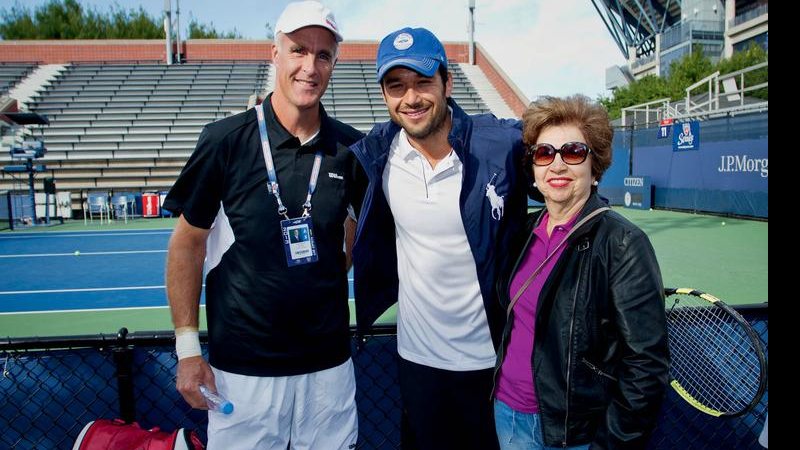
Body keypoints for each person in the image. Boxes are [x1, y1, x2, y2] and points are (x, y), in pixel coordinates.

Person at [163, 2, 365, 448]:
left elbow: (352, 237)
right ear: (275, 53)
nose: (309, 67)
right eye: (297, 50)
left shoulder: (352, 149)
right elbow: (187, 245)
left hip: (328, 371)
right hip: (244, 374)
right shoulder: (225, 140)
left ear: (334, 63)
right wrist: (188, 351)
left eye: (323, 55)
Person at [350, 27, 527, 450]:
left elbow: (565, 178)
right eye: (396, 86)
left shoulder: (500, 144)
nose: (411, 98)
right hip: (418, 364)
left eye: (423, 82)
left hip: (492, 363)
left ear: (447, 83)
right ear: (384, 94)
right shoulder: (376, 153)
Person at [493, 94, 670, 450]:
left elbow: (646, 367)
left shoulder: (622, 243)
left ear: (595, 168)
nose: (557, 165)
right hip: (507, 414)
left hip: (575, 434)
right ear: (533, 167)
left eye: (572, 152)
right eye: (544, 154)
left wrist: (611, 444)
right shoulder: (521, 233)